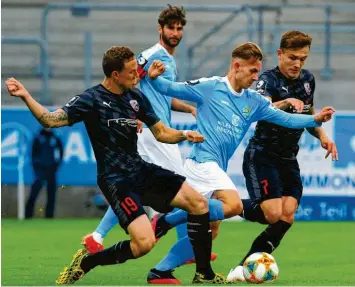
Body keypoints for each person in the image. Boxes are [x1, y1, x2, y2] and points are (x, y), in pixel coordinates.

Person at [6, 46, 227, 284]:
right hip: (115, 180)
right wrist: (26, 95)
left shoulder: (136, 97)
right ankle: (88, 262)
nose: (137, 76)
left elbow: (162, 132)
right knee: (144, 244)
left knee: (198, 203)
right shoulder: (91, 99)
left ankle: (204, 274)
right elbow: (50, 120)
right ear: (114, 75)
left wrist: (185, 134)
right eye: (131, 72)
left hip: (141, 169)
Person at [142, 41, 335, 283]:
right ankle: (169, 219)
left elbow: (286, 119)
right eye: (253, 71)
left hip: (214, 167)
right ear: (236, 66)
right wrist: (154, 78)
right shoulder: (210, 87)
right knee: (232, 205)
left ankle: (160, 270)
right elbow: (171, 88)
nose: (256, 77)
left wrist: (315, 119)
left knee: (211, 231)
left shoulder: (253, 102)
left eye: (258, 71)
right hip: (201, 162)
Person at [80, 8, 216, 276]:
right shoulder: (153, 55)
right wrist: (129, 111)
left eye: (179, 29)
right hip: (154, 136)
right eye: (170, 28)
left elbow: (161, 95)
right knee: (180, 190)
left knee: (169, 191)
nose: (175, 34)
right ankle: (184, 246)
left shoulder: (167, 59)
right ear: (160, 28)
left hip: (159, 128)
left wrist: (187, 107)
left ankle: (98, 237)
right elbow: (125, 79)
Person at [227, 31, 338, 281]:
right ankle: (221, 206)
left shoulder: (308, 80)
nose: (297, 64)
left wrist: (322, 136)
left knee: (287, 214)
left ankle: (243, 268)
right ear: (280, 54)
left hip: (288, 158)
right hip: (263, 154)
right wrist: (286, 101)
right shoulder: (267, 79)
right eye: (292, 57)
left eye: (303, 58)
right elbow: (259, 110)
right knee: (273, 214)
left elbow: (307, 114)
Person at [25, 127, 63, 218]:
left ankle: (49, 216)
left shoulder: (55, 137)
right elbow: (33, 154)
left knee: (51, 194)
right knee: (34, 192)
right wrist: (36, 167)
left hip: (51, 169)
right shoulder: (38, 137)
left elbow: (61, 152)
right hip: (40, 169)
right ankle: (28, 215)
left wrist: (56, 165)